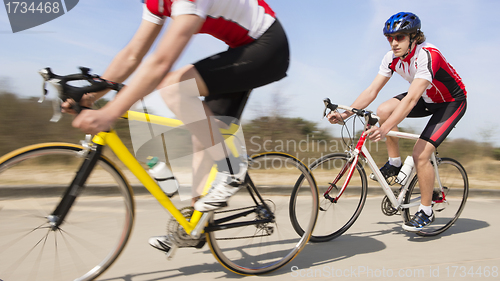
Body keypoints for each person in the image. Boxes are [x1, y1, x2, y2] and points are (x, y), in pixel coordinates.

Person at [64, 0, 289, 251]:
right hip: (242, 49)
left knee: (173, 86)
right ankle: (194, 227)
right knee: (202, 134)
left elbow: (161, 62)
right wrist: (91, 96)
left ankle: (232, 166)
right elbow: (132, 54)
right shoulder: (154, 3)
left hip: (269, 48)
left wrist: (111, 112)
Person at [328, 12, 466, 232]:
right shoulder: (391, 58)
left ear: (414, 36)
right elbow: (372, 90)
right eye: (389, 38)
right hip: (426, 98)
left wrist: (384, 129)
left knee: (421, 154)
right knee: (382, 110)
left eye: (399, 37)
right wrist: (346, 114)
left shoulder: (428, 55)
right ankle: (394, 164)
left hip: (450, 102)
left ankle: (426, 211)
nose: (393, 43)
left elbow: (411, 99)